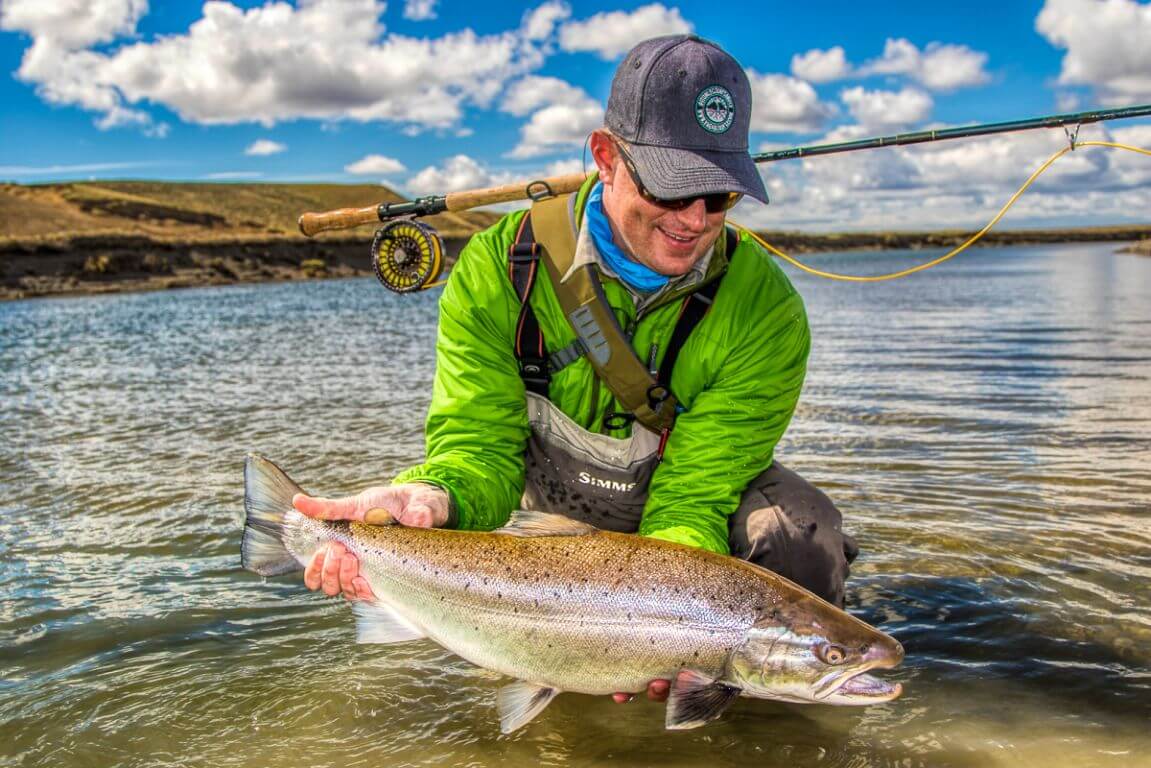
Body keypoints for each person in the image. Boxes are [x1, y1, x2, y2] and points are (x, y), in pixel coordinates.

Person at [292, 34, 857, 704]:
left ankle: (754, 730)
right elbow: (479, 449)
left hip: (674, 503)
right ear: (605, 157)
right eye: (672, 190)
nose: (695, 220)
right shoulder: (499, 269)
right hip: (545, 505)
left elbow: (693, 496)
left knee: (797, 535)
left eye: (718, 197)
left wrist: (656, 627)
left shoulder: (764, 310)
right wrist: (431, 499)